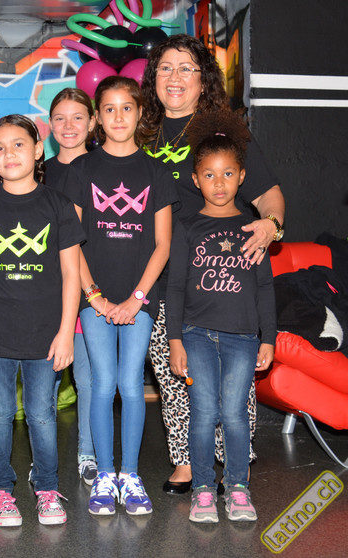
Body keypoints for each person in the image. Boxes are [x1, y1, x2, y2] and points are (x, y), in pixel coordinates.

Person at [140, 34, 285, 495]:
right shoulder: (137, 131)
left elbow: (269, 195)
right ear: (153, 79)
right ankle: (186, 462)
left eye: (186, 68)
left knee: (232, 380)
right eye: (165, 68)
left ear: (203, 81)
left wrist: (270, 226)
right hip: (160, 276)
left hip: (221, 278)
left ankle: (234, 461)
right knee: (174, 374)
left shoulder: (224, 133)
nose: (175, 77)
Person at [0, 114, 83, 527]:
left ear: (37, 150)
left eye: (18, 145)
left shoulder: (58, 206)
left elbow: (71, 275)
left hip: (45, 335)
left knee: (41, 413)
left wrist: (66, 333)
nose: (8, 154)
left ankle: (47, 486)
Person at [66, 76, 176, 516]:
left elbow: (163, 245)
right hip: (93, 298)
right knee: (101, 383)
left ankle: (130, 475)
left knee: (131, 384)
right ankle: (105, 475)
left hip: (140, 299)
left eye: (126, 108)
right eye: (108, 109)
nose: (118, 117)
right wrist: (93, 295)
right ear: (97, 117)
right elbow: (71, 241)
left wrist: (137, 298)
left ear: (140, 114)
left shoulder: (156, 172)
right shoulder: (81, 170)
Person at [166, 109, 276, 522]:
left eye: (227, 174)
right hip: (195, 335)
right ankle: (202, 490)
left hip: (243, 339)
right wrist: (175, 340)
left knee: (233, 414)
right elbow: (175, 288)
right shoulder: (187, 227)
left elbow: (264, 288)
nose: (218, 183)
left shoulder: (253, 228)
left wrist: (268, 338)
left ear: (242, 176)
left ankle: (238, 488)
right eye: (209, 175)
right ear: (195, 180)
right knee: (203, 413)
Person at [44, 87, 98, 485]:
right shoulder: (39, 171)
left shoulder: (105, 168)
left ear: (92, 122)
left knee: (87, 379)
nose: (68, 126)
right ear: (49, 125)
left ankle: (88, 453)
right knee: (43, 381)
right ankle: (43, 458)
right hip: (44, 290)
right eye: (60, 118)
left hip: (90, 289)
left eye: (78, 117)